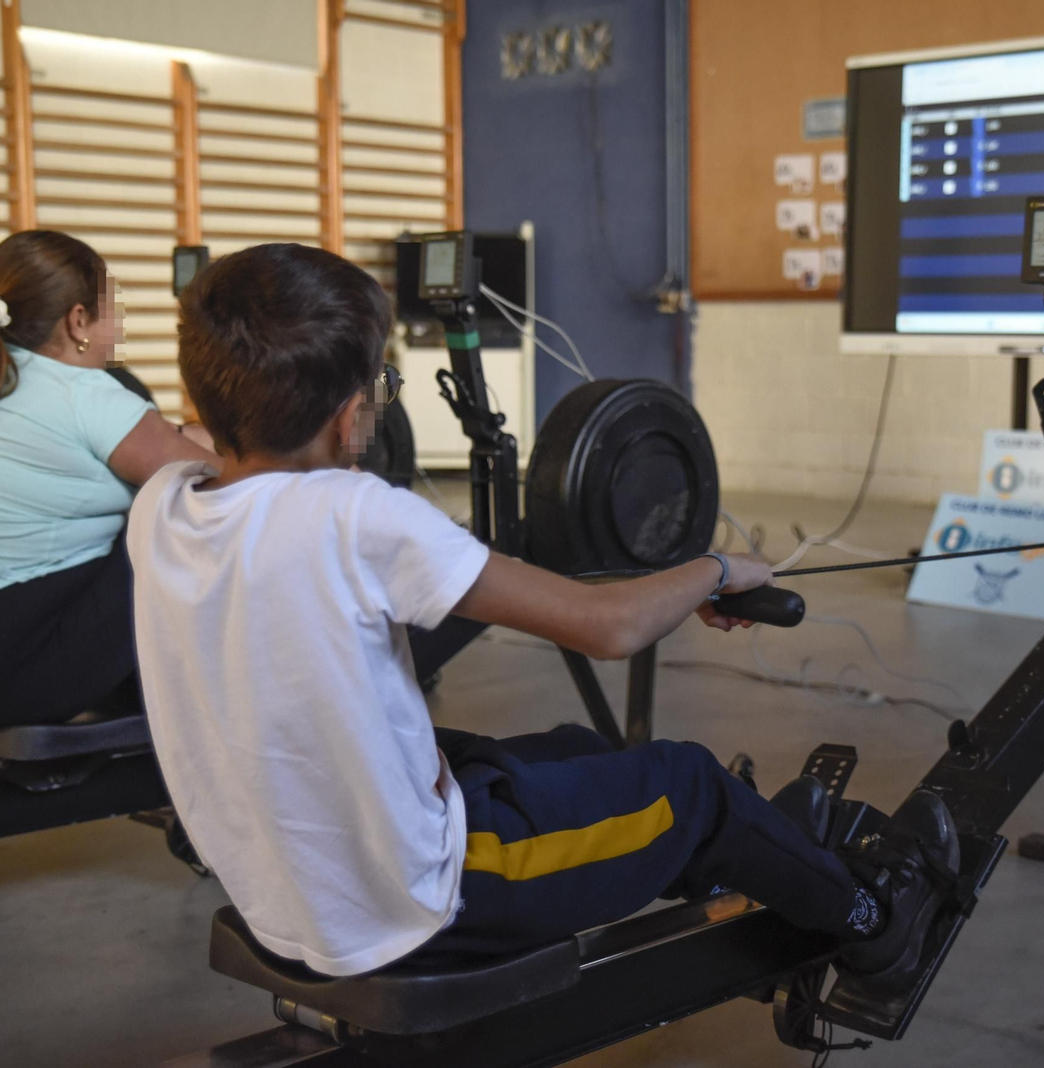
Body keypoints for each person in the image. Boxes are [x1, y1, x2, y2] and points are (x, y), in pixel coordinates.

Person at [129, 242, 957, 990]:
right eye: (381, 386)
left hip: (288, 892)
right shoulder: (355, 516)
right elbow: (608, 628)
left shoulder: (164, 504)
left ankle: (753, 853)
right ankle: (877, 926)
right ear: (350, 415)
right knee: (692, 787)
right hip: (420, 910)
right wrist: (714, 568)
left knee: (567, 751)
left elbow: (228, 466)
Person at [0, 230, 218, 733]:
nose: (120, 325)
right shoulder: (84, 393)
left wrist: (187, 436)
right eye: (115, 310)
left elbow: (167, 443)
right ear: (79, 320)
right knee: (179, 514)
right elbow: (219, 479)